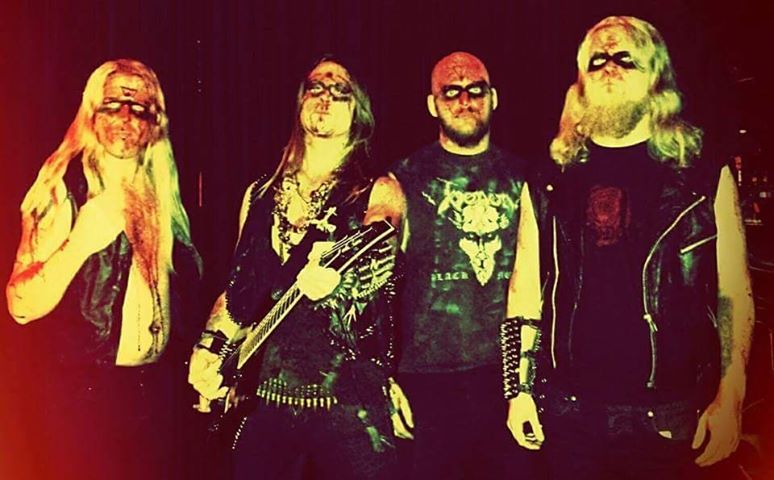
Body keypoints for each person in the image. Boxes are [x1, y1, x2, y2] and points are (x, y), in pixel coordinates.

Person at [504, 16, 755, 480]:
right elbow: (524, 292)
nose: (609, 67)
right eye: (596, 60)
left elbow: (733, 292)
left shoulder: (701, 173)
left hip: (670, 415)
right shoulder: (547, 177)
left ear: (656, 76)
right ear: (580, 81)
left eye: (625, 58)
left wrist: (732, 392)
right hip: (569, 410)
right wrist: (518, 390)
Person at [188, 56, 402, 480]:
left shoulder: (380, 189)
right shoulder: (259, 194)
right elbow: (238, 292)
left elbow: (382, 240)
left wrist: (343, 273)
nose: (325, 97)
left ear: (358, 111)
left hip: (349, 404)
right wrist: (208, 349)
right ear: (300, 100)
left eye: (340, 92)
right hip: (266, 400)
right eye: (316, 88)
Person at [6, 59, 202, 480]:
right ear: (91, 112)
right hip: (85, 399)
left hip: (152, 394)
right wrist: (80, 241)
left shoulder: (162, 193)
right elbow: (20, 305)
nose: (126, 117)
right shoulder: (63, 187)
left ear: (156, 122)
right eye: (113, 104)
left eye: (140, 107)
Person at [388, 51, 533, 479]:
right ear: (432, 104)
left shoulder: (527, 177)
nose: (465, 100)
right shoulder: (402, 179)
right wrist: (383, 378)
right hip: (425, 380)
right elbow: (375, 290)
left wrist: (526, 381)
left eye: (475, 90)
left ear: (494, 97)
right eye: (450, 92)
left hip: (507, 378)